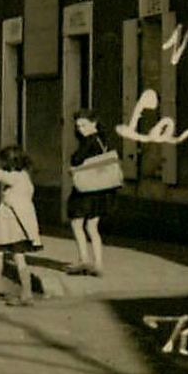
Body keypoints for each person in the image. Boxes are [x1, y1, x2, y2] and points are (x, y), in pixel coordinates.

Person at [0, 147, 44, 306]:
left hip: (8, 225)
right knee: (19, 258)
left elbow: (3, 177)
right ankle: (26, 294)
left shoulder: (16, 177)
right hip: (19, 227)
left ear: (10, 162)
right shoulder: (25, 177)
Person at [67, 113, 117, 276]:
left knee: (76, 223)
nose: (81, 129)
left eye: (84, 125)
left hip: (86, 190)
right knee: (92, 227)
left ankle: (84, 260)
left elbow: (77, 159)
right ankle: (99, 263)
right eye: (78, 126)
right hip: (102, 190)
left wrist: (74, 167)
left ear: (94, 123)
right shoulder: (104, 141)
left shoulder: (88, 142)